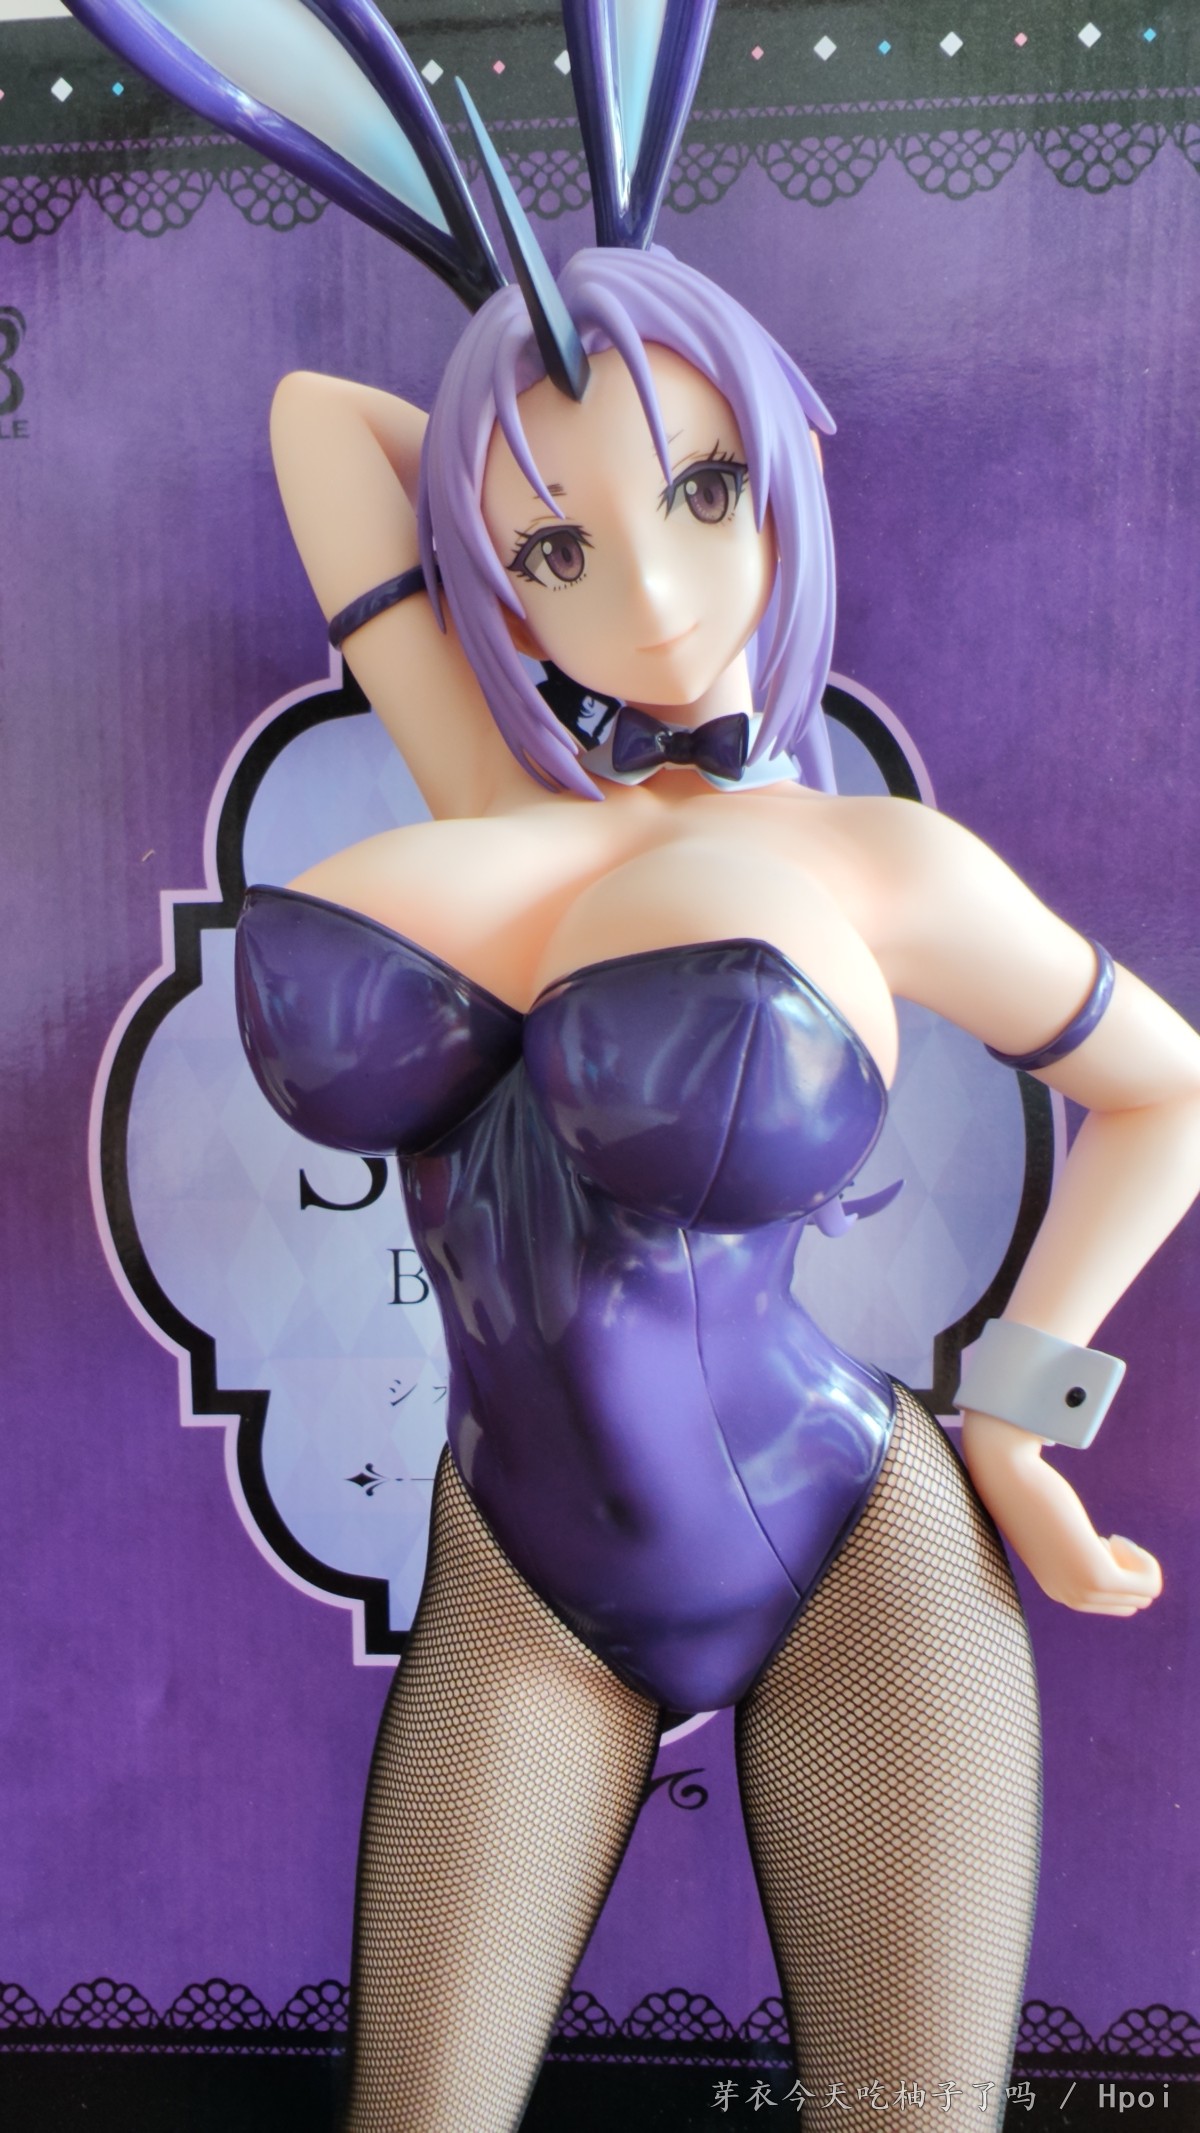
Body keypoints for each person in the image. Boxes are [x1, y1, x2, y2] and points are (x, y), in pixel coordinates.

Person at [61, 4, 1200, 2127]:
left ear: (786, 477)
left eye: (706, 487)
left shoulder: (879, 864)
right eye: (561, 548)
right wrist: (534, 348)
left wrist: (1021, 1410)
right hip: (523, 1573)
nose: (657, 589)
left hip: (863, 1556)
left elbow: (1173, 1087)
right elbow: (321, 428)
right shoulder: (479, 768)